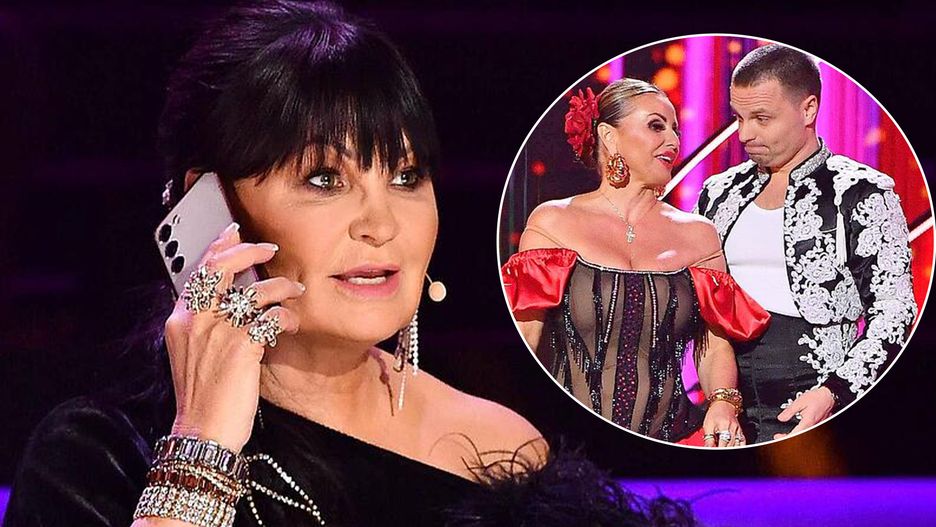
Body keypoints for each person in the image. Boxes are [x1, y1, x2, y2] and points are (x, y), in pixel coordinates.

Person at [5, 2, 698, 526]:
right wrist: (201, 450)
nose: (381, 223)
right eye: (324, 179)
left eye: (405, 176)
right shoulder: (99, 459)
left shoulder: (501, 455)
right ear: (209, 206)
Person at [501, 78, 770, 447]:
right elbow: (525, 337)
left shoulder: (699, 235)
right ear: (609, 137)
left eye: (675, 130)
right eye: (656, 126)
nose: (673, 141)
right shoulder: (552, 223)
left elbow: (712, 343)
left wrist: (723, 403)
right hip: (569, 443)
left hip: (677, 439)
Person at [694, 44, 916, 444]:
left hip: (822, 400)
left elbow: (895, 309)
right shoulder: (718, 192)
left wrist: (835, 391)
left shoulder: (860, 192)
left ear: (808, 109)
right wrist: (720, 397)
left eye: (761, 118)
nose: (744, 134)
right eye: (739, 118)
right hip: (725, 402)